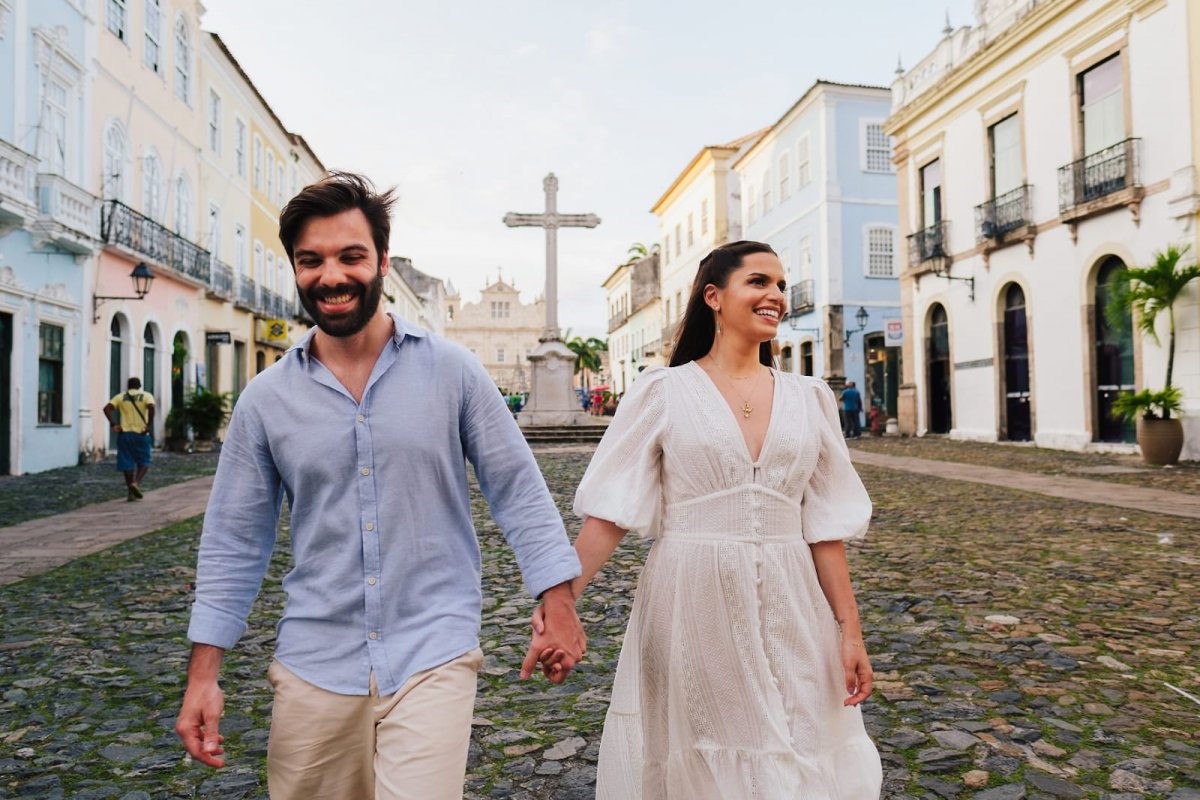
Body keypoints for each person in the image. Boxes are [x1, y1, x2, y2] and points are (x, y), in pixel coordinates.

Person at [176, 172, 586, 800]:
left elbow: (519, 490)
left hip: (433, 648)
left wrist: (559, 603)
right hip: (314, 659)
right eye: (311, 260)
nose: (331, 275)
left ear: (382, 263)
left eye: (351, 256)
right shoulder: (266, 400)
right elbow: (234, 538)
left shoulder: (453, 372)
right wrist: (204, 674)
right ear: (295, 268)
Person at [540, 241, 882, 798]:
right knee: (704, 756)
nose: (775, 295)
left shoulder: (810, 398)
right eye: (758, 281)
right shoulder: (662, 392)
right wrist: (561, 604)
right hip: (690, 598)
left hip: (795, 600)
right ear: (714, 297)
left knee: (798, 746)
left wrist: (850, 632)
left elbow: (824, 529)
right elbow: (610, 516)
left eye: (780, 284)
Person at [103, 377, 155, 501]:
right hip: (141, 433)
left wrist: (113, 424)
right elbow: (152, 407)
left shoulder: (120, 397)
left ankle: (130, 492)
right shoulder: (146, 396)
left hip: (125, 434)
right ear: (139, 386)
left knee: (127, 463)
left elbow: (106, 409)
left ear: (128, 386)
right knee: (144, 461)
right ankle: (136, 483)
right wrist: (148, 425)